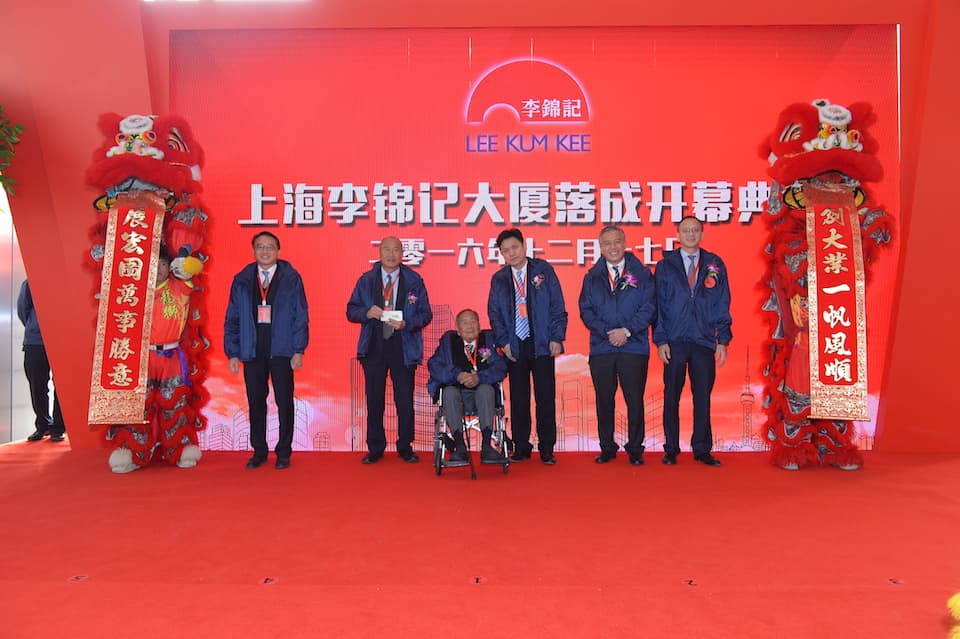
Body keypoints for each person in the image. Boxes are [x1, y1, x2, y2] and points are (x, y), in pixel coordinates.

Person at [105, 248, 205, 473]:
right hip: (139, 358)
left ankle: (179, 451)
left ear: (169, 266)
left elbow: (194, 268)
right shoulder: (131, 290)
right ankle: (134, 453)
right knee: (138, 408)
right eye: (153, 264)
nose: (158, 269)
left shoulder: (179, 286)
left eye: (162, 264)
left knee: (175, 406)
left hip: (170, 357)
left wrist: (185, 264)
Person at [224, 231, 309, 470]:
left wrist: (298, 349)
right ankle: (259, 451)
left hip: (282, 350)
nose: (265, 251)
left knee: (284, 401)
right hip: (252, 350)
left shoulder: (291, 278)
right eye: (260, 247)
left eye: (269, 247)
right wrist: (232, 352)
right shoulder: (241, 279)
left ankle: (284, 452)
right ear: (253, 251)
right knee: (255, 402)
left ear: (278, 251)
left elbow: (301, 316)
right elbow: (232, 318)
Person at [653, 216, 732, 467]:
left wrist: (723, 339)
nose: (690, 234)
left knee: (703, 396)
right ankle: (671, 449)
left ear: (702, 234)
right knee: (671, 396)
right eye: (685, 230)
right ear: (678, 234)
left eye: (695, 230)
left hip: (703, 339)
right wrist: (661, 340)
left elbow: (722, 302)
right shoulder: (665, 265)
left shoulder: (714, 263)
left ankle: (702, 449)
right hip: (674, 340)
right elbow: (658, 306)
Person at [347, 236, 433, 464]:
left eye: (396, 250)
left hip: (403, 346)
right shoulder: (366, 280)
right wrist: (366, 312)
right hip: (374, 346)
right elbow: (350, 310)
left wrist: (408, 323)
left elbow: (426, 314)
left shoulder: (414, 280)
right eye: (387, 249)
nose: (392, 254)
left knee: (404, 400)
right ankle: (375, 448)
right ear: (379, 253)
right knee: (374, 400)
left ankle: (405, 447)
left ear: (402, 253)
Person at [487, 228, 567, 465]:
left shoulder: (543, 271)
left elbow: (557, 306)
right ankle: (521, 446)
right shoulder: (499, 279)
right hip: (515, 345)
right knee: (519, 398)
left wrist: (557, 337)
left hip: (541, 341)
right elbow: (494, 314)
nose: (511, 253)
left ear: (524, 246)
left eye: (514, 247)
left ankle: (546, 447)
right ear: (501, 254)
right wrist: (503, 342)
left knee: (545, 396)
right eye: (506, 250)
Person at [578, 226, 656, 465]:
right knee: (604, 399)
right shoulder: (592, 277)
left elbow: (650, 308)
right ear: (601, 247)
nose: (613, 247)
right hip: (602, 347)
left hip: (634, 347)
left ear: (624, 243)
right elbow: (586, 311)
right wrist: (607, 332)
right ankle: (607, 447)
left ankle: (635, 449)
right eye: (607, 243)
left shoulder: (642, 274)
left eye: (617, 242)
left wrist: (627, 331)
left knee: (634, 399)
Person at [427, 308, 508, 463]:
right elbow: (434, 365)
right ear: (457, 329)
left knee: (486, 390)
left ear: (479, 325)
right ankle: (459, 446)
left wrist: (479, 377)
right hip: (457, 394)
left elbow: (501, 367)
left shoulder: (488, 340)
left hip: (482, 394)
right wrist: (456, 375)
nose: (469, 326)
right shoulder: (448, 342)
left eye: (473, 321)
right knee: (449, 392)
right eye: (464, 323)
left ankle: (486, 446)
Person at [17, 280, 66, 443]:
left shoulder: (63, 279)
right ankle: (43, 424)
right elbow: (23, 310)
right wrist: (35, 326)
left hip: (62, 339)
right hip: (35, 341)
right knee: (37, 384)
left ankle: (58, 427)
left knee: (62, 385)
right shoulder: (30, 280)